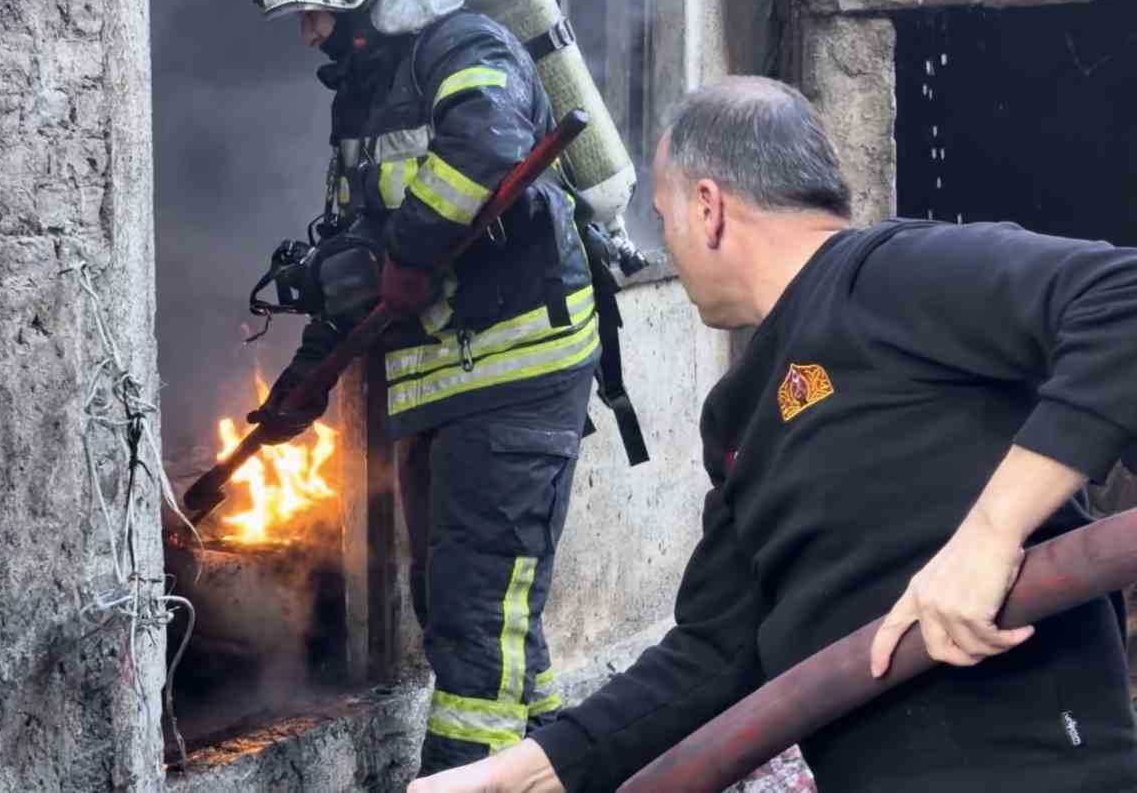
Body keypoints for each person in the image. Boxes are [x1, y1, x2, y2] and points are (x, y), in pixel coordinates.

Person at [409, 76, 1137, 792]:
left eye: (662, 218)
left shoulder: (891, 275)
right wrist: (519, 773)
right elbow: (714, 651)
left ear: (708, 208)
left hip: (1035, 762)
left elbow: (1121, 301)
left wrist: (989, 537)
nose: (667, 240)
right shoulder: (739, 413)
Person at [243, 0, 604, 776]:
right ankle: (572, 765)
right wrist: (309, 373)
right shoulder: (361, 100)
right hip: (443, 385)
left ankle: (458, 777)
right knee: (461, 607)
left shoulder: (465, 46)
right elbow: (353, 253)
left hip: (521, 372)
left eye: (315, 12)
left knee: (479, 619)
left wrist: (409, 252)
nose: (310, 36)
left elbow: (485, 148)